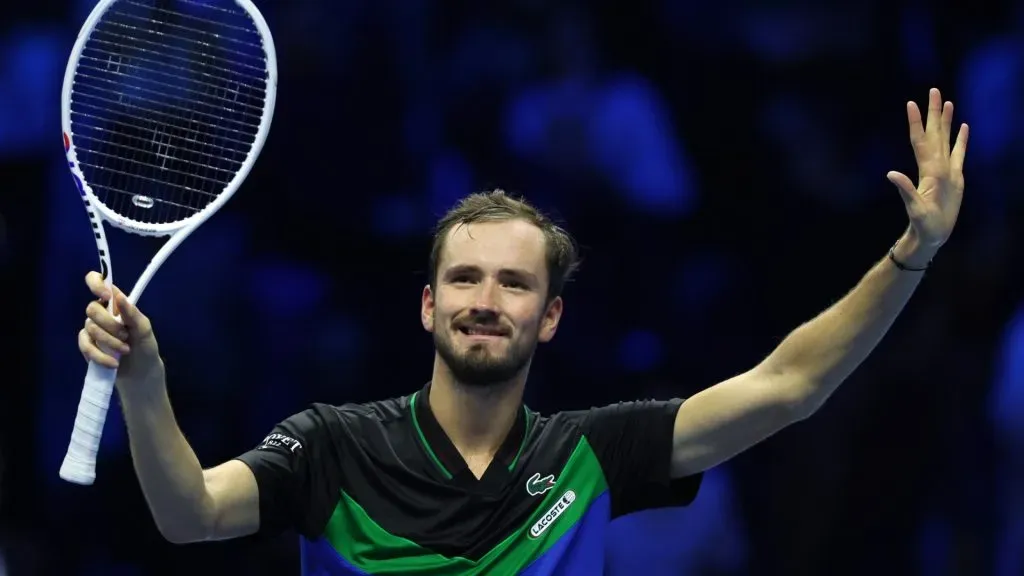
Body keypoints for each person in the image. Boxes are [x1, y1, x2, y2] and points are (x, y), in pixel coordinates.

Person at [78, 88, 968, 575]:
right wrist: (146, 381)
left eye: (513, 284)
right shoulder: (329, 450)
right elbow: (190, 515)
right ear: (427, 305)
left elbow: (789, 387)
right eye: (463, 277)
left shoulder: (592, 455)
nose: (484, 298)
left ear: (549, 318)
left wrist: (911, 254)